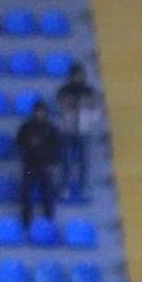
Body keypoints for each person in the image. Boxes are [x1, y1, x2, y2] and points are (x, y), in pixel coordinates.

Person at [53, 62, 99, 199]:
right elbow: (58, 108)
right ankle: (65, 186)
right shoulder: (64, 90)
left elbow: (96, 111)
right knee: (65, 159)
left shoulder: (89, 91)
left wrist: (89, 120)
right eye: (74, 75)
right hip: (67, 130)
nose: (77, 78)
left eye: (79, 75)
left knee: (84, 160)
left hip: (84, 130)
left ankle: (84, 187)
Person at [15, 100, 62, 229]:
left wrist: (52, 162)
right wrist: (29, 145)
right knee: (27, 192)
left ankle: (49, 218)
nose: (39, 114)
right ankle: (26, 219)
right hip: (29, 165)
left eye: (42, 111)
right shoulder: (26, 127)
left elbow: (57, 148)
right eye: (37, 111)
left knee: (47, 192)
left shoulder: (51, 129)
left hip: (45, 166)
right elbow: (19, 143)